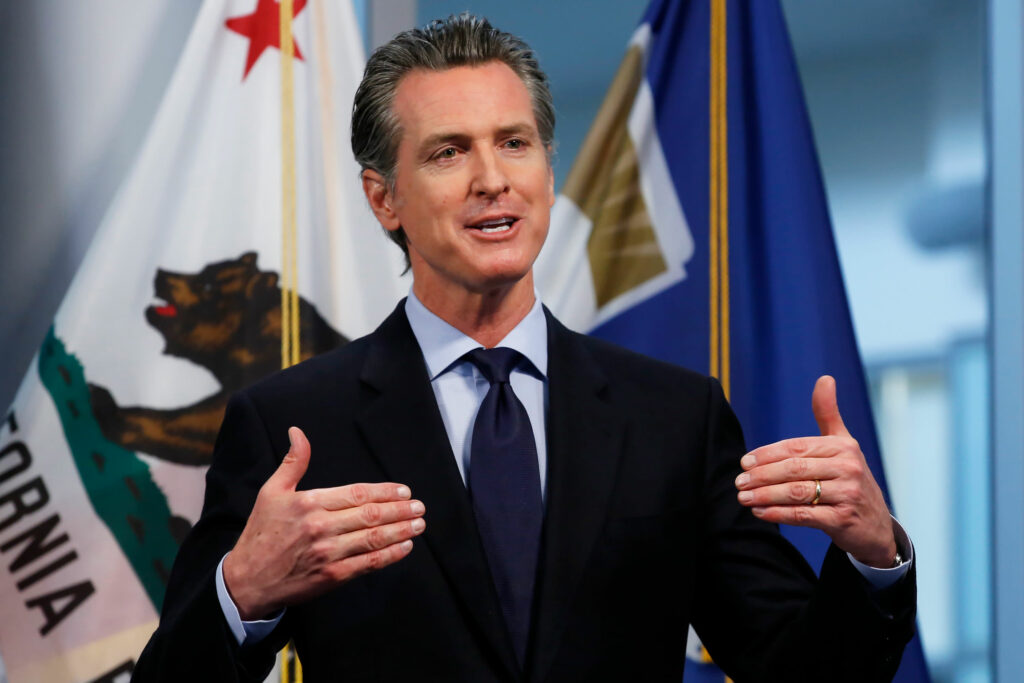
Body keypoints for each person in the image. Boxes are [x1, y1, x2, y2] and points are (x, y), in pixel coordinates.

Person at [132, 14, 916, 682]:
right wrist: (244, 589)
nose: (491, 179)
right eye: (448, 152)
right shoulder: (293, 425)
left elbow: (803, 668)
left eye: (514, 143)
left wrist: (874, 554)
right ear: (385, 199)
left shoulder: (675, 417)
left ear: (548, 169)